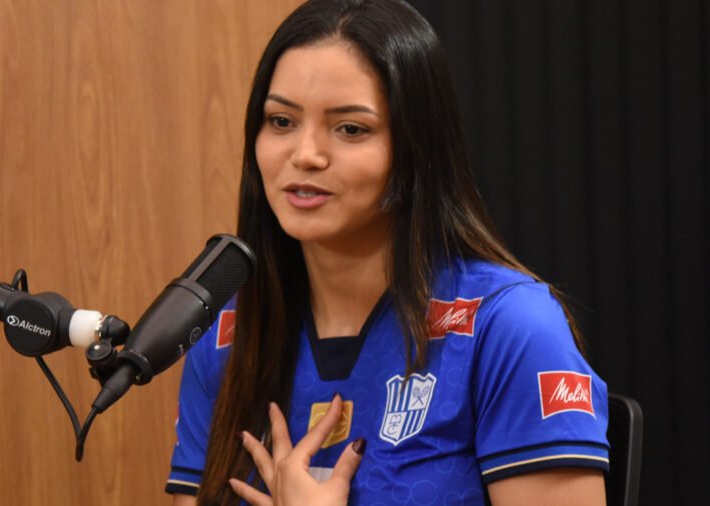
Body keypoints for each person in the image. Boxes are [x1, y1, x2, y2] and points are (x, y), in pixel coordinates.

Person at [166, 0, 609, 504]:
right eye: (282, 121)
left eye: (350, 129)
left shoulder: (511, 326)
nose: (304, 155)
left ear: (416, 148)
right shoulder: (227, 334)